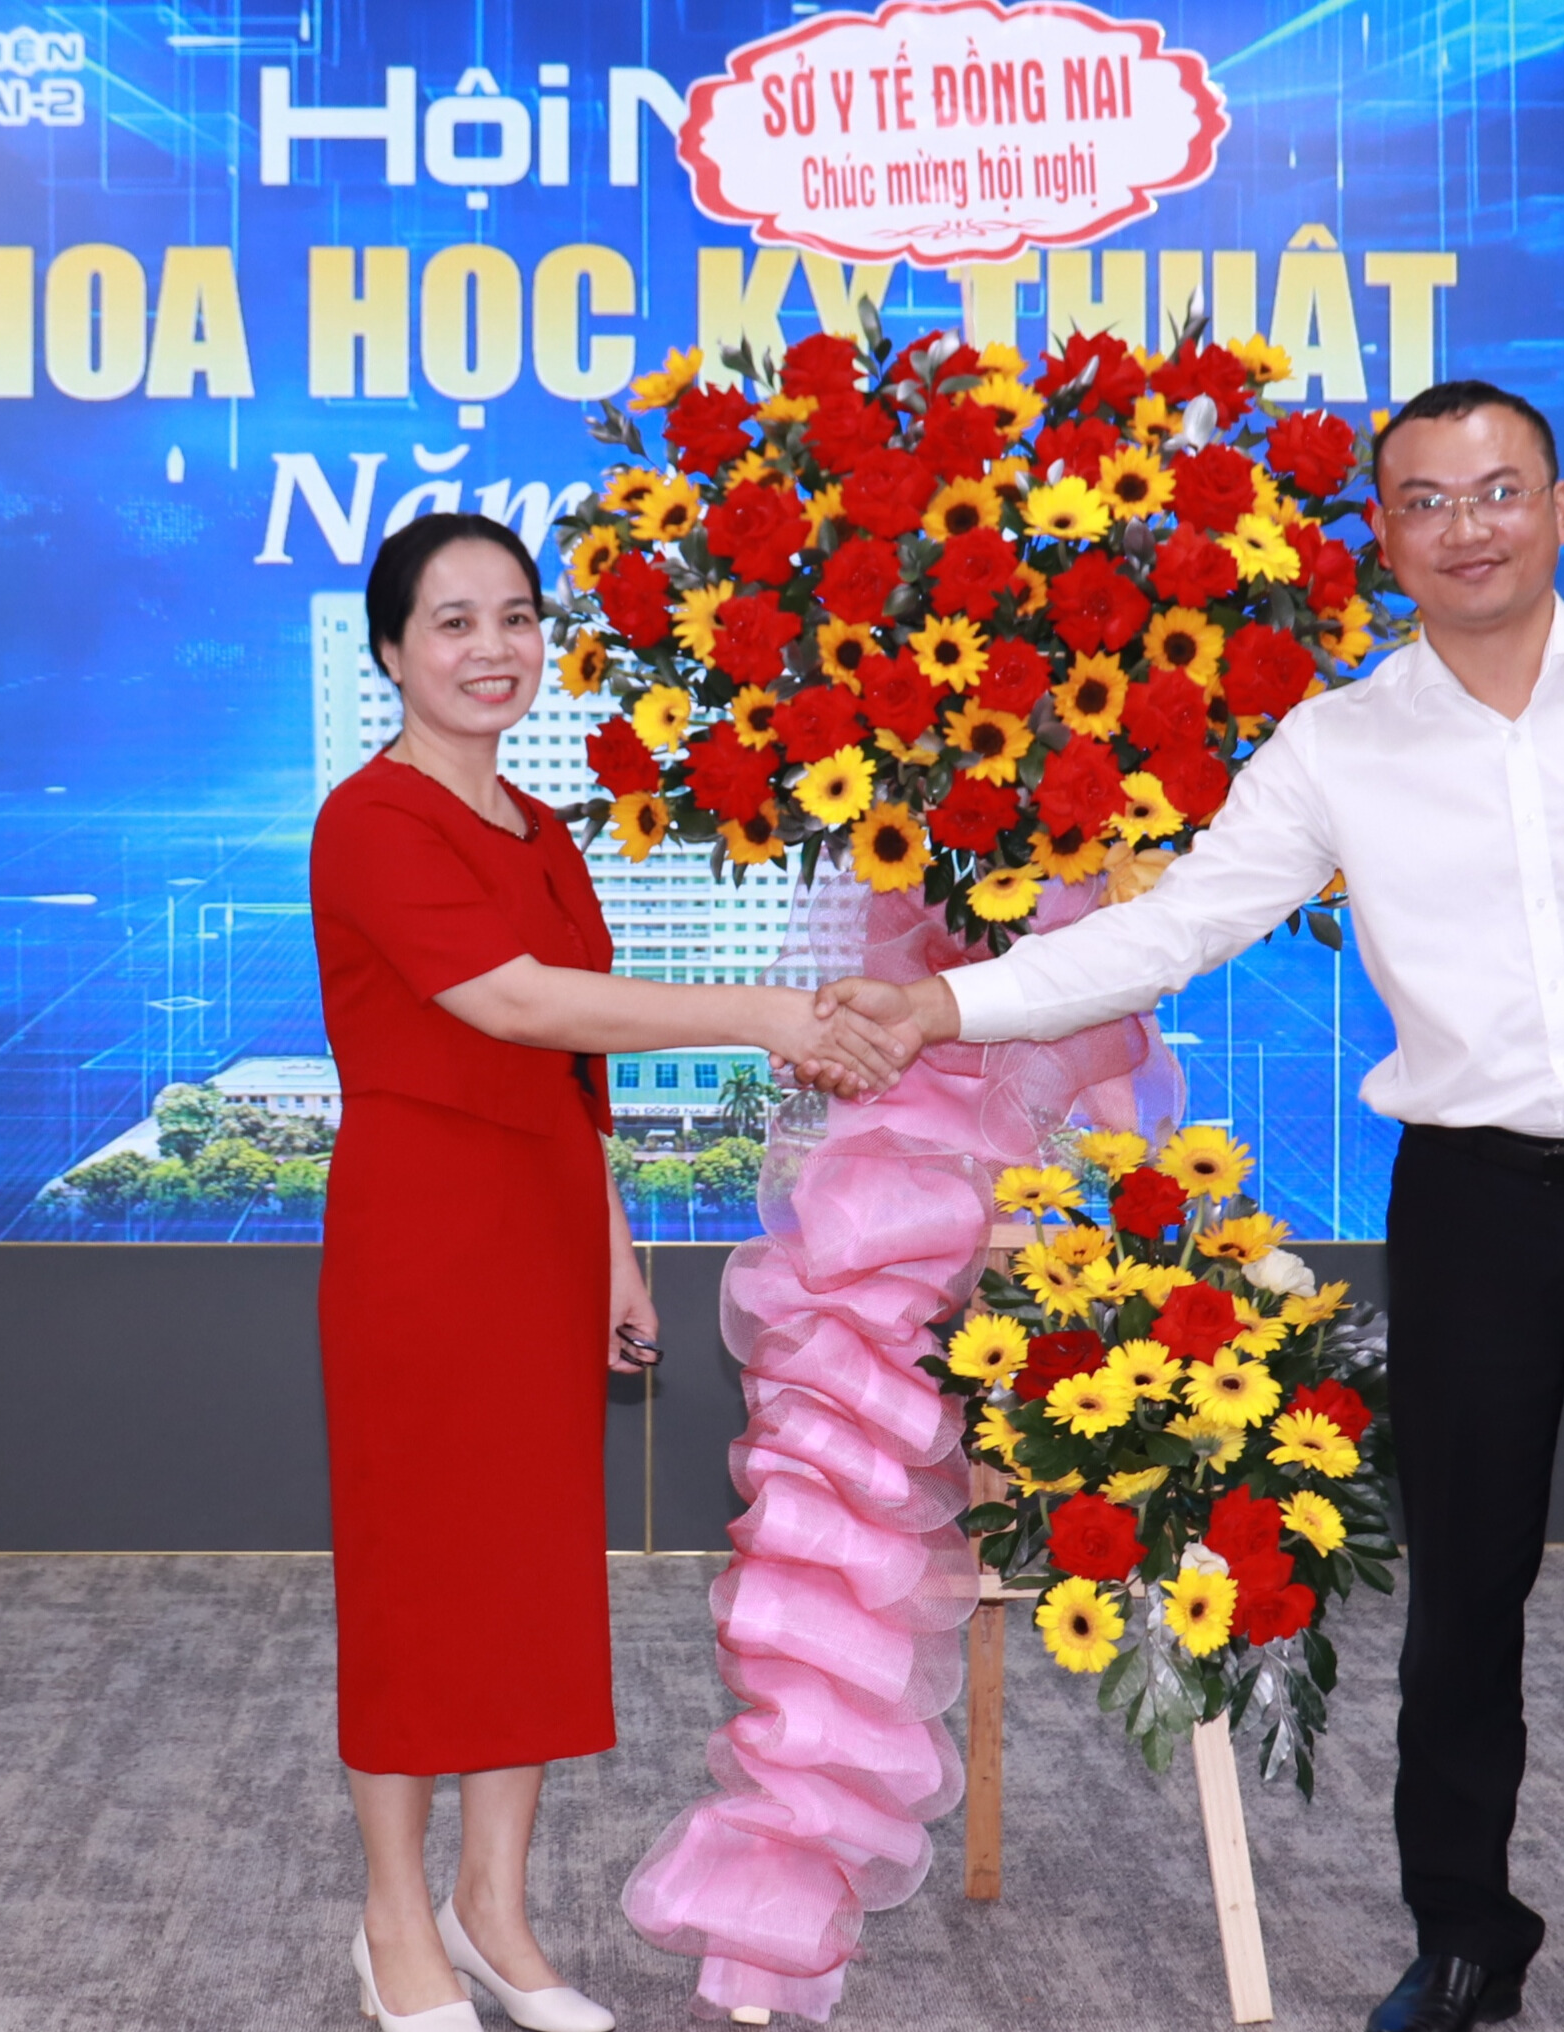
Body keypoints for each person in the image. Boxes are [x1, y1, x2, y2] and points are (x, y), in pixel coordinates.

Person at [805, 384, 1564, 2032]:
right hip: (1472, 1209)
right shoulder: (1337, 743)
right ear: (1383, 535)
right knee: (1461, 1594)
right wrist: (941, 1006)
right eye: (1427, 501)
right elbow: (1169, 932)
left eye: (1500, 491)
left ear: (1561, 509)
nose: (1469, 527)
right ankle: (1463, 1936)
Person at [309, 513, 905, 2032]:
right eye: (453, 622)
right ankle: (393, 1924)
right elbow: (514, 1003)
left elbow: (574, 1068)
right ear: (391, 652)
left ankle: (493, 1911)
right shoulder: (370, 821)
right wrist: (765, 1012)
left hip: (543, 1229)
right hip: (420, 1236)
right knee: (418, 1575)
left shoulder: (543, 829)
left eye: (515, 617)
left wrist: (616, 1248)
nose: (491, 648)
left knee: (524, 1574)